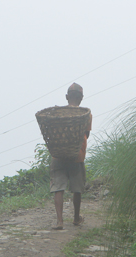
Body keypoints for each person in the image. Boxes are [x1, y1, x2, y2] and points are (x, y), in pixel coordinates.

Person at [50, 83, 92, 230]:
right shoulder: (86, 114)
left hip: (58, 156)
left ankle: (60, 221)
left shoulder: (57, 114)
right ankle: (76, 218)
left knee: (58, 188)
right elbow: (86, 134)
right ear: (81, 98)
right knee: (77, 188)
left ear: (67, 97)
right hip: (77, 156)